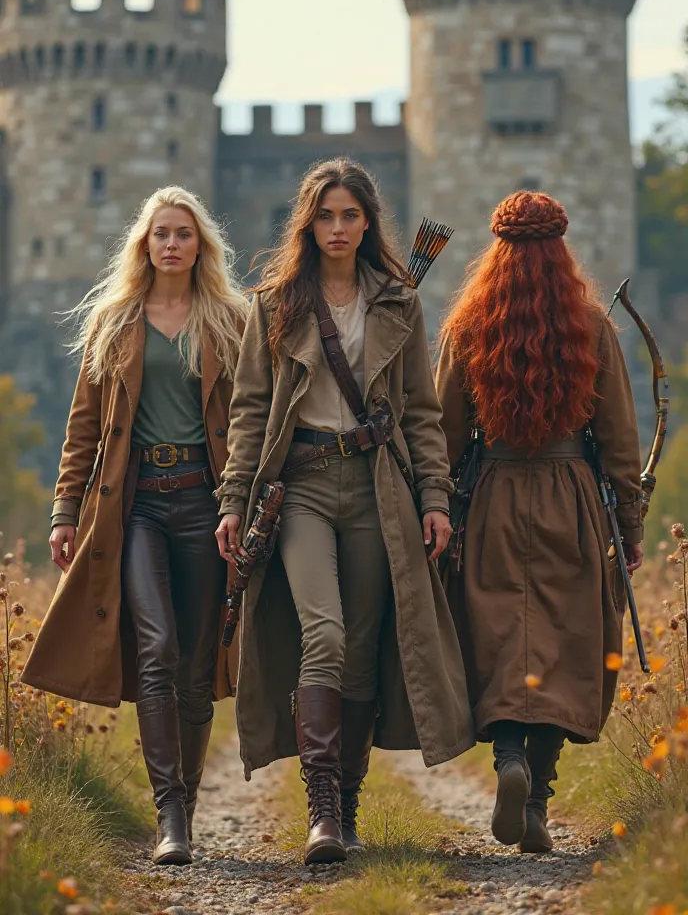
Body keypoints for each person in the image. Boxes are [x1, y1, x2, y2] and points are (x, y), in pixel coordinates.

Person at [215, 157, 473, 865]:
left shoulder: (399, 301)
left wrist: (435, 499)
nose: (337, 227)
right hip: (296, 488)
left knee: (358, 647)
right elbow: (248, 412)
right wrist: (234, 500)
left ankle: (348, 806)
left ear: (367, 222)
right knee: (322, 632)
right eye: (325, 215)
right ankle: (322, 810)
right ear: (308, 221)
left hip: (377, 490)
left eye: (350, 215)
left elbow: (421, 413)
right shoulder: (272, 305)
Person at [22, 186, 248, 866]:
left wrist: (245, 499)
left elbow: (249, 420)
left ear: (199, 244)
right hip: (137, 503)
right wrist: (65, 512)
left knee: (196, 663)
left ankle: (188, 798)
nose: (171, 243)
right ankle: (170, 818)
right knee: (156, 648)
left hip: (208, 507)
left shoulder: (231, 322)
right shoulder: (115, 322)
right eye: (160, 234)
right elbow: (82, 428)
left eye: (182, 233)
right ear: (144, 244)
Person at [436, 190, 643, 854]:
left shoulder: (469, 327)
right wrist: (631, 527)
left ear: (497, 253)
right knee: (563, 644)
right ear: (561, 250)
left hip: (494, 496)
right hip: (572, 500)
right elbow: (618, 440)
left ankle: (510, 763)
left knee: (498, 639)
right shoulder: (590, 324)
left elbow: (442, 433)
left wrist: (437, 507)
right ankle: (537, 806)